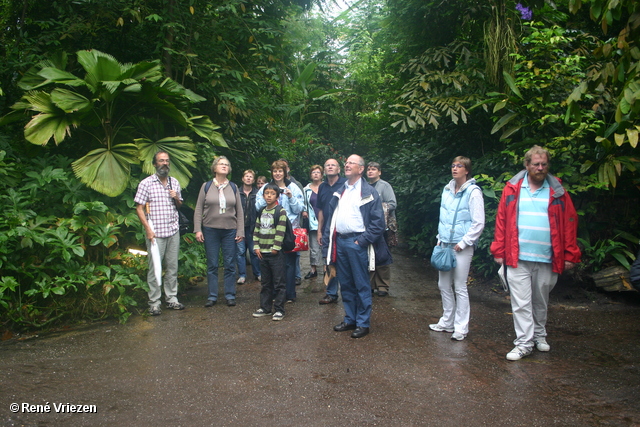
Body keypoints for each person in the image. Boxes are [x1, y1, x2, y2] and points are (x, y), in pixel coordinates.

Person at [490, 145, 581, 361]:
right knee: (520, 302)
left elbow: (569, 222)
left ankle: (540, 335)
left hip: (548, 256)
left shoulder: (557, 190)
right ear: (527, 165)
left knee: (541, 300)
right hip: (517, 256)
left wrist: (570, 253)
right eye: (536, 164)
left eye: (544, 164)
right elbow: (502, 220)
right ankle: (523, 343)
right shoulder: (512, 188)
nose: (540, 168)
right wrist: (499, 249)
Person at [323, 155, 391, 338]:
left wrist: (361, 241)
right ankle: (350, 319)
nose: (347, 164)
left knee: (361, 284)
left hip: (357, 243)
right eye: (346, 162)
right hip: (341, 242)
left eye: (351, 163)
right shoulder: (341, 190)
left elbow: (378, 224)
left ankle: (362, 323)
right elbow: (332, 219)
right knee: (345, 284)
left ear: (360, 169)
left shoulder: (368, 192)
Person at [429, 156, 485, 341]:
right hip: (445, 243)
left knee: (460, 286)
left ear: (467, 170)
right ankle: (446, 322)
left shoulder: (473, 192)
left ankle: (461, 327)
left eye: (459, 166)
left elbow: (478, 222)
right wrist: (439, 238)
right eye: (453, 165)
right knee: (443, 284)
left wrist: (464, 242)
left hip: (462, 246)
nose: (455, 168)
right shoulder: (447, 189)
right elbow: (442, 216)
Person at [134, 151, 185, 315]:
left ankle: (172, 299)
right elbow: (139, 208)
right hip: (155, 233)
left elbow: (179, 206)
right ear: (155, 164)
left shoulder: (174, 182)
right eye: (161, 161)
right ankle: (154, 302)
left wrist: (176, 197)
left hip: (172, 230)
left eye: (167, 161)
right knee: (155, 268)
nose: (165, 163)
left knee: (172, 267)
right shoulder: (146, 183)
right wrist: (148, 229)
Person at [194, 156, 244, 307]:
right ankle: (212, 296)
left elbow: (239, 211)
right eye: (221, 164)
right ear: (214, 168)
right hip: (210, 230)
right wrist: (198, 229)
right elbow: (198, 209)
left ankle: (230, 295)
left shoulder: (233, 187)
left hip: (230, 230)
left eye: (226, 164)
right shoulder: (206, 186)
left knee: (229, 263)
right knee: (212, 264)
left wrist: (240, 230)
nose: (224, 166)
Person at [256, 160, 304, 303]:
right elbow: (257, 206)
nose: (277, 174)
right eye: (275, 171)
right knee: (271, 264)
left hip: (289, 231)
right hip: (268, 232)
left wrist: (290, 197)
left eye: (280, 171)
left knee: (289, 264)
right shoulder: (266, 187)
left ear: (285, 172)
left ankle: (289, 294)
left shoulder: (293, 187)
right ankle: (272, 294)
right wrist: (268, 197)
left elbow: (299, 209)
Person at [252, 183, 289, 321]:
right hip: (262, 252)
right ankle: (265, 308)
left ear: (277, 196)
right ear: (263, 195)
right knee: (265, 283)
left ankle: (279, 309)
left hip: (275, 253)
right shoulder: (261, 211)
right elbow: (256, 229)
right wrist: (256, 246)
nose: (269, 196)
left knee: (279, 282)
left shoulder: (281, 211)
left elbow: (281, 231)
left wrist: (276, 247)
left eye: (272, 193)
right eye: (266, 193)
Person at [317, 158, 347, 305]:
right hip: (327, 230)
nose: (330, 167)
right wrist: (319, 230)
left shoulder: (345, 185)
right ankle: (331, 293)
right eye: (327, 165)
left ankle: (348, 293)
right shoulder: (322, 187)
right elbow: (321, 210)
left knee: (344, 261)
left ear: (338, 169)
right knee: (329, 261)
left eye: (333, 165)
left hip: (341, 228)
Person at [366, 161, 397, 297]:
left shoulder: (385, 186)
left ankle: (383, 286)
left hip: (383, 227)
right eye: (369, 169)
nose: (370, 171)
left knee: (382, 256)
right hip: (368, 227)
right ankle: (370, 285)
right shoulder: (364, 186)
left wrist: (378, 209)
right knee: (369, 255)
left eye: (374, 169)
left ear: (379, 172)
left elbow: (392, 204)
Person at [236, 169, 261, 284]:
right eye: (246, 176)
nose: (248, 178)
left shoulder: (257, 193)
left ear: (253, 180)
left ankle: (258, 273)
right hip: (239, 227)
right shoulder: (237, 192)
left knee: (254, 251)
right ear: (242, 178)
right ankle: (242, 275)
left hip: (253, 227)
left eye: (251, 176)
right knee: (240, 251)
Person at [302, 165, 323, 280]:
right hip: (313, 221)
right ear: (310, 175)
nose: (315, 174)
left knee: (325, 245)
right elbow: (304, 203)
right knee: (314, 246)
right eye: (313, 172)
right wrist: (304, 211)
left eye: (318, 172)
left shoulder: (326, 187)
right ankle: (313, 269)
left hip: (326, 221)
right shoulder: (306, 189)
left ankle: (326, 268)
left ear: (321, 174)